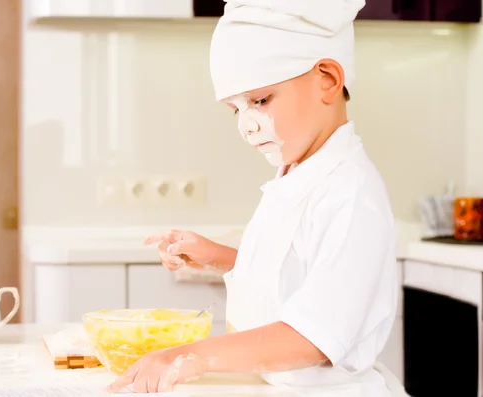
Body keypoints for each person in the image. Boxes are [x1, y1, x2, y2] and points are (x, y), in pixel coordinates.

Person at [107, 1, 408, 395]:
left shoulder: (350, 196)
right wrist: (217, 256)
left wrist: (190, 356)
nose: (247, 126)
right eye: (235, 109)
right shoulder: (296, 176)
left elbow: (313, 337)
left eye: (261, 100)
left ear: (328, 80)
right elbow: (297, 277)